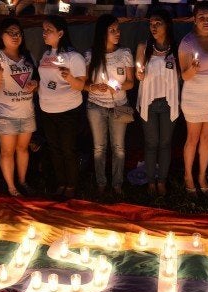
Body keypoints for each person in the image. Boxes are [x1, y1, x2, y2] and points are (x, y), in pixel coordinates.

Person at [0, 18, 39, 197]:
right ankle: (11, 187)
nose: (15, 36)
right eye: (11, 33)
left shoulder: (28, 56)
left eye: (18, 33)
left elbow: (36, 82)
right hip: (5, 113)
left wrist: (34, 85)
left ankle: (22, 181)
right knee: (7, 151)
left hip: (27, 111)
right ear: (2, 35)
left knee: (23, 149)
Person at [84, 14, 135, 196]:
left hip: (119, 105)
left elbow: (131, 82)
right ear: (102, 33)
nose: (117, 33)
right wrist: (93, 86)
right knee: (99, 147)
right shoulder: (90, 55)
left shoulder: (125, 53)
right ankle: (101, 182)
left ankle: (117, 183)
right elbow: (85, 83)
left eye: (118, 29)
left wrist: (119, 86)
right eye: (112, 30)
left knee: (119, 148)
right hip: (96, 106)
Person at [37, 14, 87, 199]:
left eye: (49, 30)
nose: (44, 33)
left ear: (60, 33)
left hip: (68, 111)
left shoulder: (74, 57)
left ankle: (72, 185)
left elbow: (81, 86)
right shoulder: (45, 55)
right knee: (55, 149)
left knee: (68, 149)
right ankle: (61, 183)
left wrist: (69, 78)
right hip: (47, 110)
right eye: (43, 30)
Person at [178, 1, 208, 197]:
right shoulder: (187, 42)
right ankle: (188, 176)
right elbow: (184, 76)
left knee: (207, 139)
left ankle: (202, 176)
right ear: (195, 19)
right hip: (194, 95)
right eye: (202, 17)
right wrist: (192, 69)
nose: (206, 21)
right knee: (193, 138)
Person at [135, 9, 179, 196]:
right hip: (150, 102)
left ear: (167, 25)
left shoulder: (176, 48)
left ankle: (162, 181)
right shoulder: (143, 48)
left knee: (165, 143)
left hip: (169, 102)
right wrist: (140, 74)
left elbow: (181, 76)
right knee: (151, 143)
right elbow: (139, 73)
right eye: (151, 23)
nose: (153, 26)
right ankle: (151, 181)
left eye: (157, 23)